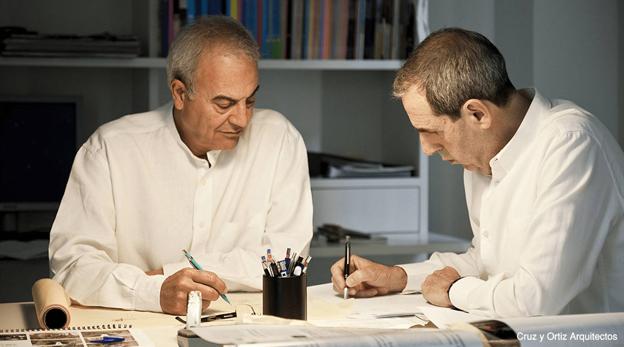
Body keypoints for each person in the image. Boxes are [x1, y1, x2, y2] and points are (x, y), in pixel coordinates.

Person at [331, 28, 624, 317]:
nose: (427, 149)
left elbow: (534, 299)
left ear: (477, 114)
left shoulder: (572, 144)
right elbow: (485, 261)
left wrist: (453, 291)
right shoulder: (486, 152)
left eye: (431, 131)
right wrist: (398, 277)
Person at [49, 16, 313, 315]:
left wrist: (166, 273)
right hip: (140, 329)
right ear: (179, 93)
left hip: (248, 329)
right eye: (224, 104)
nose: (241, 119)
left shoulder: (279, 139)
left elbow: (285, 261)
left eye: (249, 101)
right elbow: (73, 267)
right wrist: (154, 292)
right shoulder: (111, 149)